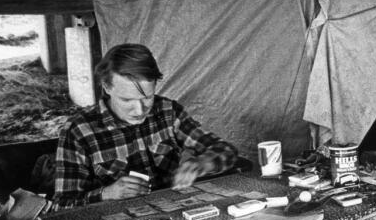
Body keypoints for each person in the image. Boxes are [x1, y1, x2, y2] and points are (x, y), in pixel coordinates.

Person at [53, 43, 239, 207]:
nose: (139, 109)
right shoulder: (78, 131)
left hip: (175, 211)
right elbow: (62, 205)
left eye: (147, 97)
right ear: (107, 87)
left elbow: (226, 151)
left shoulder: (167, 110)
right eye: (127, 100)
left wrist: (201, 163)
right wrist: (106, 194)